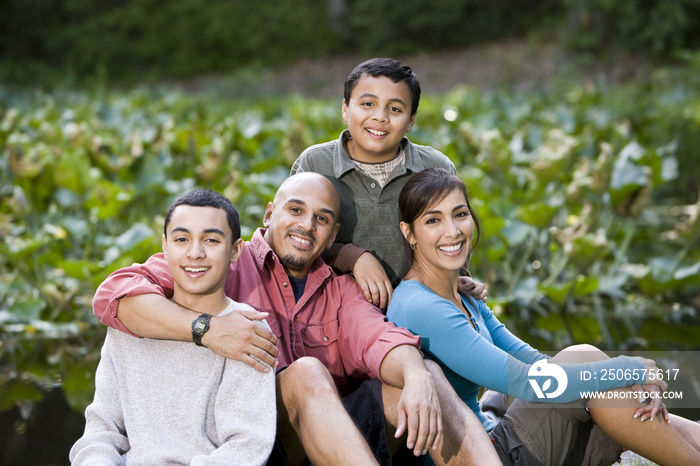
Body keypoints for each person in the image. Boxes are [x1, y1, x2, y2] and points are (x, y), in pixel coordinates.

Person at [91, 172, 501, 465]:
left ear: (332, 232)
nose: (306, 225)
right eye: (295, 210)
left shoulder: (341, 289)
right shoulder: (221, 258)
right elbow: (115, 294)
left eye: (321, 219)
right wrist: (207, 329)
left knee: (424, 373)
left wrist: (414, 376)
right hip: (255, 435)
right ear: (270, 214)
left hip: (332, 434)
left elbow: (381, 339)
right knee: (305, 372)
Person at [387, 167, 700, 465]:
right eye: (433, 220)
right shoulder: (421, 306)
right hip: (482, 456)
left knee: (585, 364)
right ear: (409, 233)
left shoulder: (462, 296)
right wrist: (628, 370)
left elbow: (533, 360)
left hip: (500, 439)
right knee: (583, 364)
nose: (452, 231)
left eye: (460, 214)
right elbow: (528, 383)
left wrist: (618, 379)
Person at [70, 189, 276, 465]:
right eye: (182, 239)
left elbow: (246, 446)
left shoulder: (247, 330)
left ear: (235, 250)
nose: (195, 253)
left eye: (212, 240)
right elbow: (101, 431)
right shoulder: (131, 323)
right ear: (165, 246)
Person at [291, 57, 486, 310]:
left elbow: (451, 233)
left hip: (419, 311)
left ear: (411, 120)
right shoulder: (315, 164)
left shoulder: (435, 166)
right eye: (368, 104)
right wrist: (352, 256)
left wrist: (459, 279)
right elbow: (291, 239)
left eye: (395, 109)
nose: (380, 117)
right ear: (345, 109)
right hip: (334, 312)